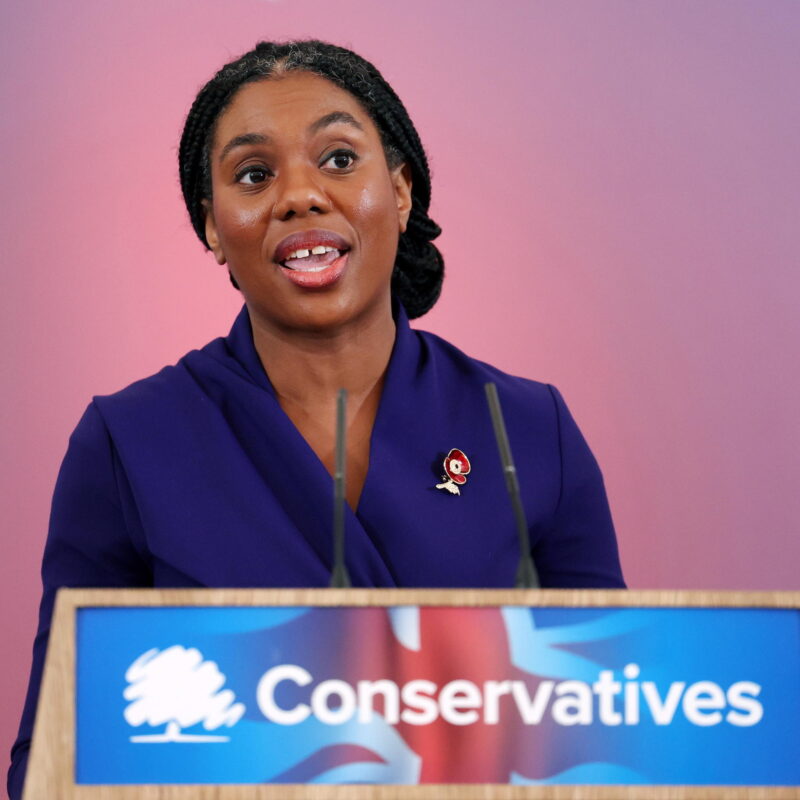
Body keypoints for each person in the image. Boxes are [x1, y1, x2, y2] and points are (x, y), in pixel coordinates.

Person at [8, 40, 625, 798]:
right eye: (255, 174)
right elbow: (58, 758)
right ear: (211, 226)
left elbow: (611, 729)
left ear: (400, 192)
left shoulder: (530, 428)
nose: (299, 196)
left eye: (337, 159)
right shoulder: (128, 443)